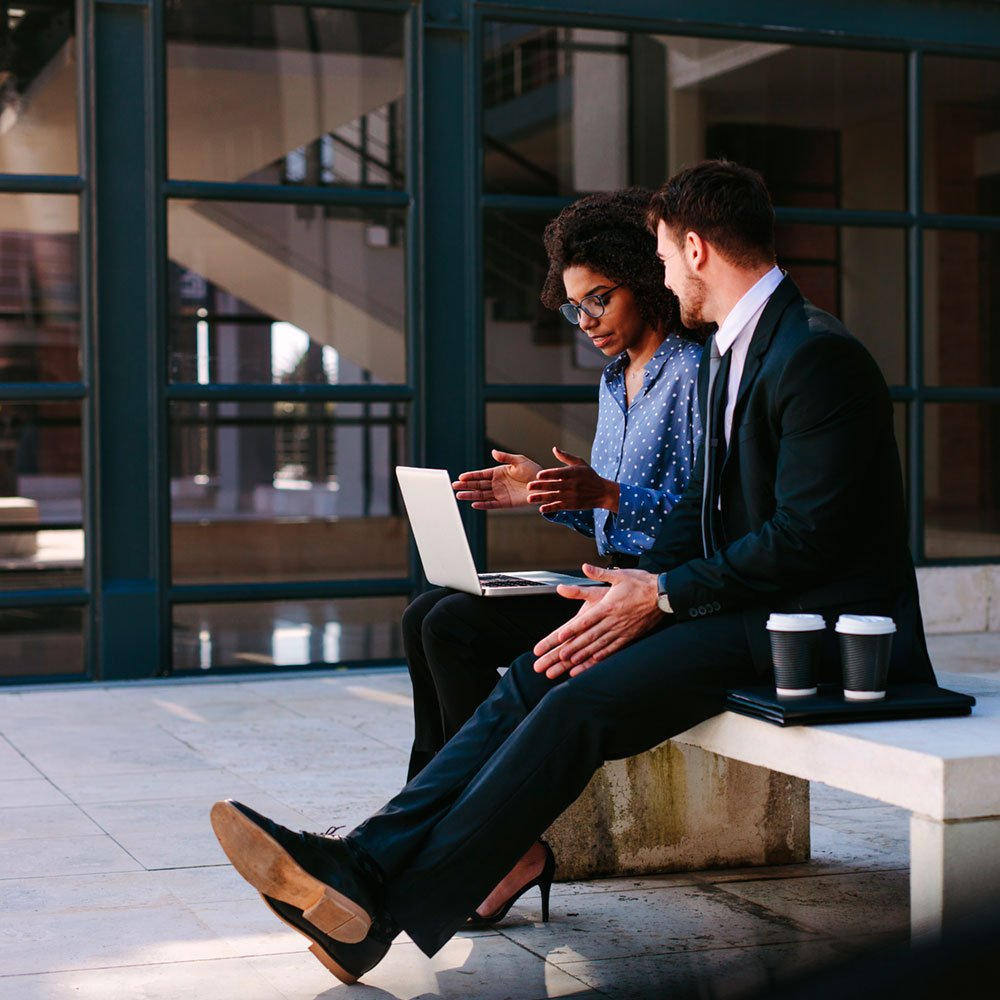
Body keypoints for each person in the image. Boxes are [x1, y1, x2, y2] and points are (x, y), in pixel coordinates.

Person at [209, 160, 935, 985]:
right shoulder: (746, 349)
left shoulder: (809, 355)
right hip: (734, 599)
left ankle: (377, 904)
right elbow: (725, 522)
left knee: (573, 698)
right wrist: (617, 565)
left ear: (692, 249)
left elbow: (807, 538)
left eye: (658, 257)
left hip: (812, 631)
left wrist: (658, 590)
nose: (657, 274)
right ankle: (365, 869)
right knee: (534, 672)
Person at [404, 187, 703, 783]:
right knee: (422, 615)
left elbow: (710, 516)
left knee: (450, 626)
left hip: (658, 598)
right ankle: (425, 793)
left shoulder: (693, 374)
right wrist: (542, 489)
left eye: (599, 299)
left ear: (644, 278)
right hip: (604, 579)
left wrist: (607, 495)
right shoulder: (614, 380)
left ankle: (469, 801)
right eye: (574, 308)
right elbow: (601, 501)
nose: (586, 321)